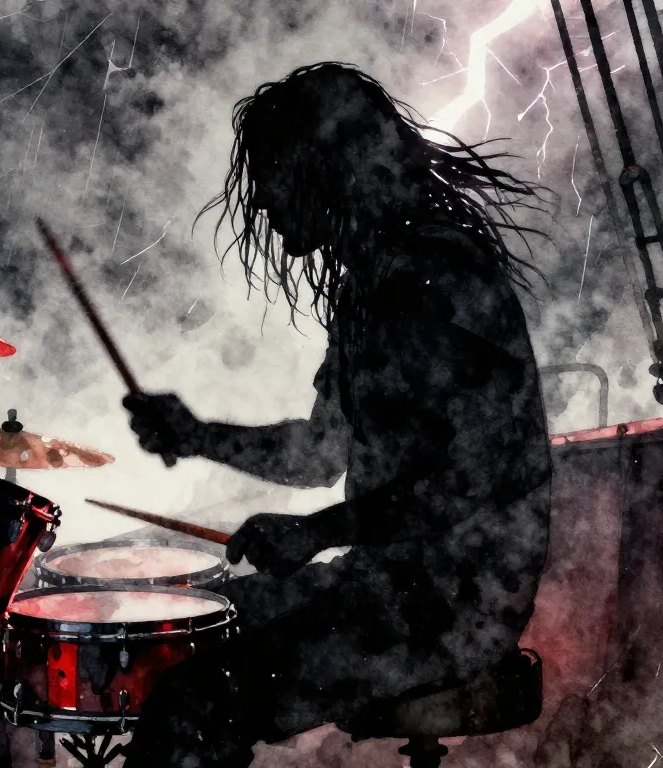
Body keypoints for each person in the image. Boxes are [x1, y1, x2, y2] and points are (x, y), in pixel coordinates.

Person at [120, 62, 554, 767]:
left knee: (193, 704)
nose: (262, 198)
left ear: (324, 168)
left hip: (455, 606)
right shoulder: (369, 285)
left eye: (272, 172)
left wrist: (319, 531)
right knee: (188, 632)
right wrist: (197, 436)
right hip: (387, 584)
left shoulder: (430, 277)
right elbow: (322, 452)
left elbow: (476, 478)